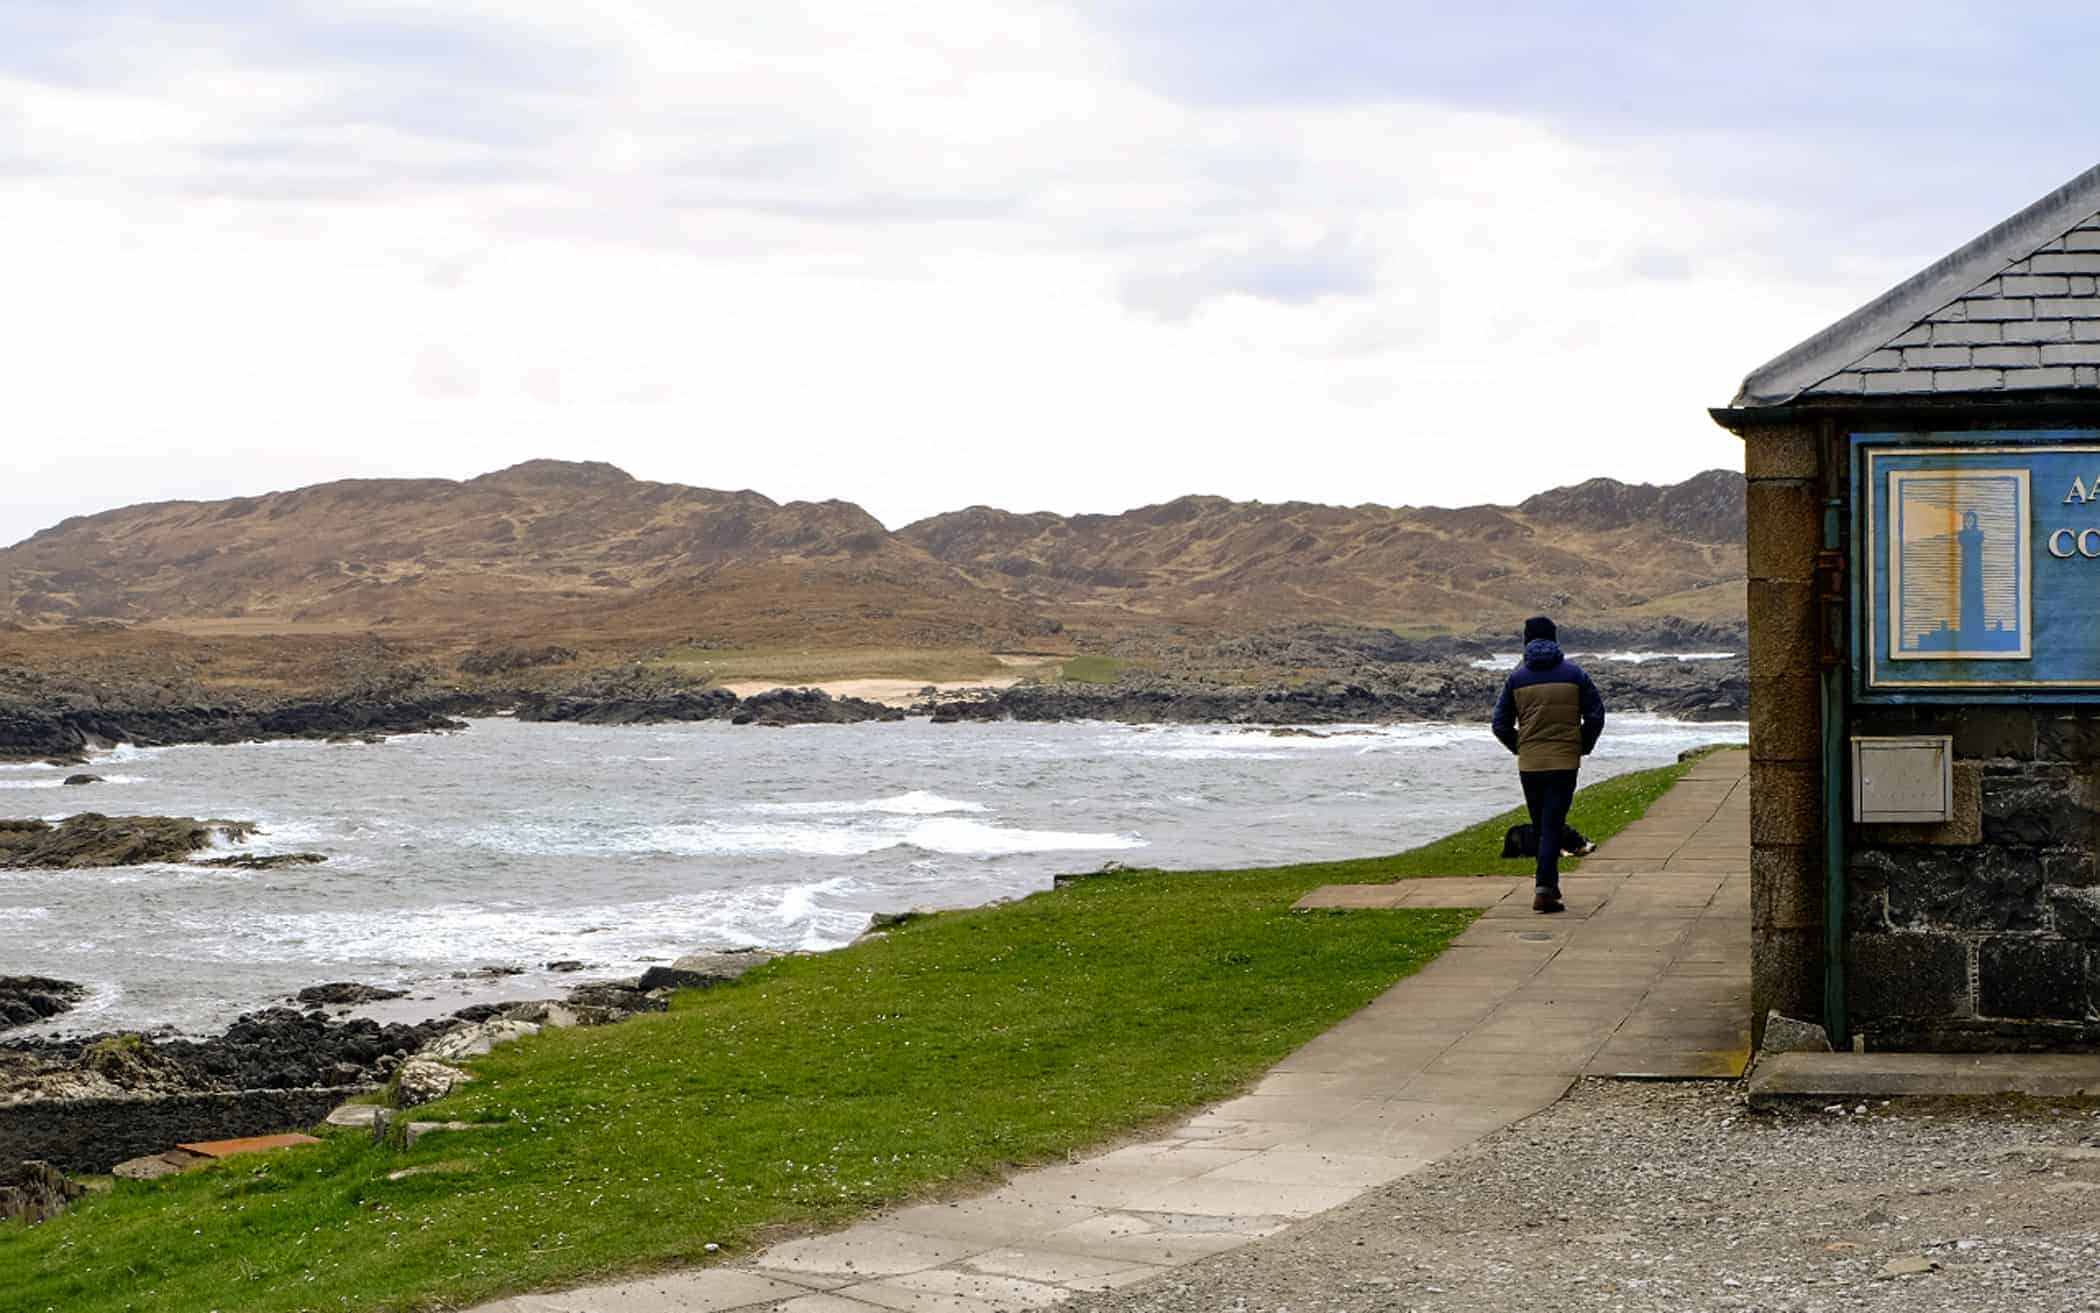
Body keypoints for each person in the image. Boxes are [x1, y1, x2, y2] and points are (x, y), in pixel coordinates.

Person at [1491, 616, 1605, 913]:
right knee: (1552, 822)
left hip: (1530, 764)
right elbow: (1595, 715)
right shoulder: (1575, 674)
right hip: (1565, 760)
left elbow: (1500, 724)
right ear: (1555, 640)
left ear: (1526, 641)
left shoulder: (1516, 679)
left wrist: (1520, 746)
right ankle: (1544, 889)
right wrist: (1583, 744)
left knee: (1544, 825)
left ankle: (1548, 887)